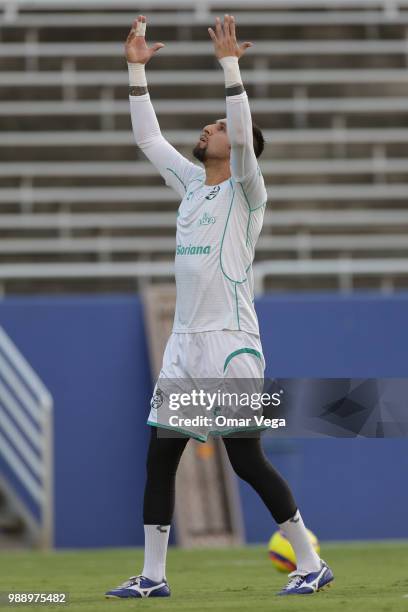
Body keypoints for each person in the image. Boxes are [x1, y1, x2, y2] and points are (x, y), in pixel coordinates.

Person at [105, 14, 333, 599]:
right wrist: (136, 72)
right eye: (209, 126)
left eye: (217, 127)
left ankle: (309, 562)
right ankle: (154, 577)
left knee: (247, 461)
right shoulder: (190, 184)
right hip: (183, 343)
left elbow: (240, 124)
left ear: (239, 148)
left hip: (229, 343)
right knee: (161, 459)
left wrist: (230, 68)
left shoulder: (246, 191)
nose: (206, 130)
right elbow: (148, 139)